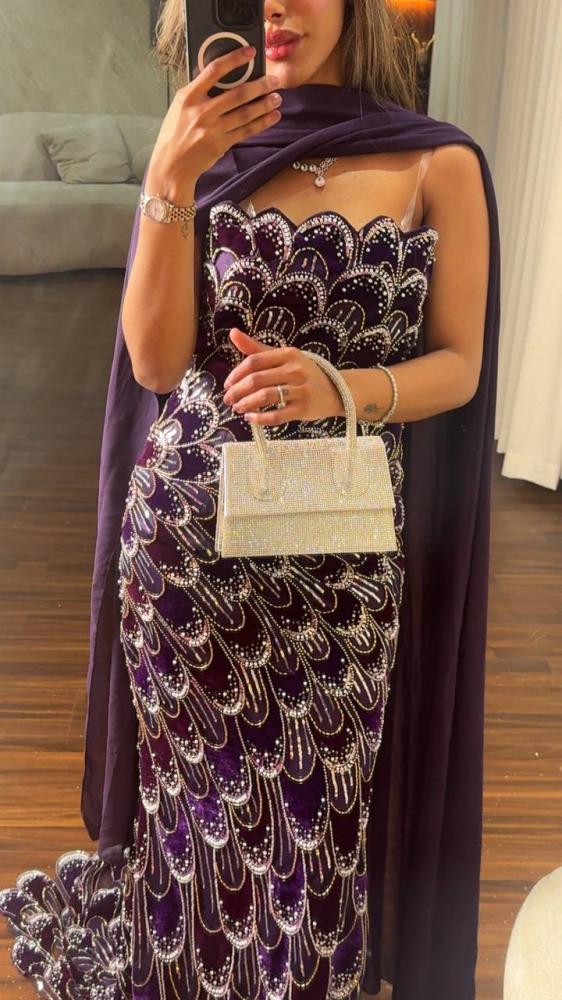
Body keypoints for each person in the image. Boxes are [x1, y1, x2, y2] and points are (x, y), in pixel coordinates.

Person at [0, 2, 500, 999]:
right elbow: (155, 363)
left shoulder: (435, 160)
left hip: (341, 564)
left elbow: (459, 363)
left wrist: (341, 387)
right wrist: (167, 179)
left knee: (317, 811)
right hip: (187, 559)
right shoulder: (204, 154)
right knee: (195, 814)